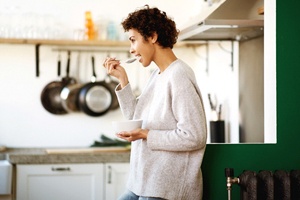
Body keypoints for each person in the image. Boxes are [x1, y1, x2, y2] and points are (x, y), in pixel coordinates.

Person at [103, 5, 207, 200]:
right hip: (142, 183)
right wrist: (123, 81)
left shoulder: (179, 76)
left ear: (152, 36)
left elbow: (194, 136)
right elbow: (137, 119)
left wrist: (146, 134)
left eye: (133, 40)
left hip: (167, 190)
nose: (131, 50)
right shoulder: (157, 76)